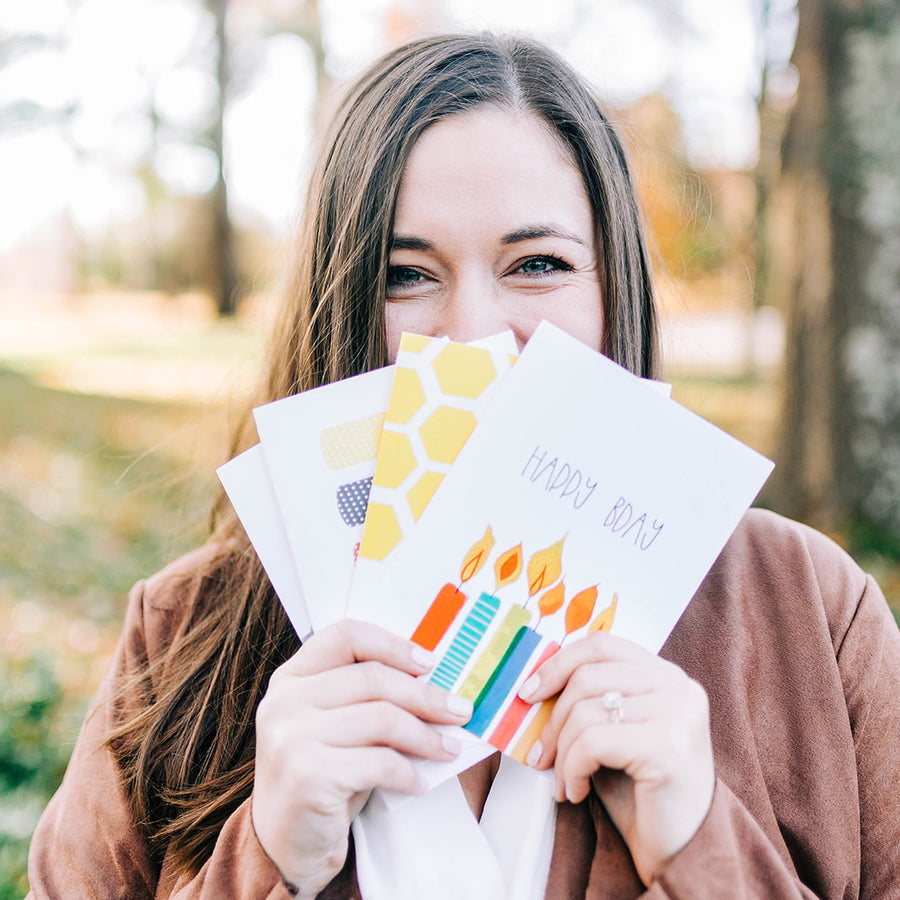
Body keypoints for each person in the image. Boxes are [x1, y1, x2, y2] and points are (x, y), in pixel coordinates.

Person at [27, 31, 900, 900]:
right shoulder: (182, 631)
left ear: (614, 288)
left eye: (538, 264)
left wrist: (702, 850)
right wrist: (263, 860)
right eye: (406, 274)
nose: (474, 335)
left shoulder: (812, 612)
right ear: (342, 304)